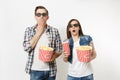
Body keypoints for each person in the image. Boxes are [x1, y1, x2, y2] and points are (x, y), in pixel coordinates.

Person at [23, 5, 62, 80]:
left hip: (51, 71)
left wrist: (53, 57)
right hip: (35, 70)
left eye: (44, 14)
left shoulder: (54, 31)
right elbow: (26, 48)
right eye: (38, 14)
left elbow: (59, 50)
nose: (41, 16)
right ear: (35, 17)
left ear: (47, 17)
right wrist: (39, 32)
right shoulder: (29, 30)